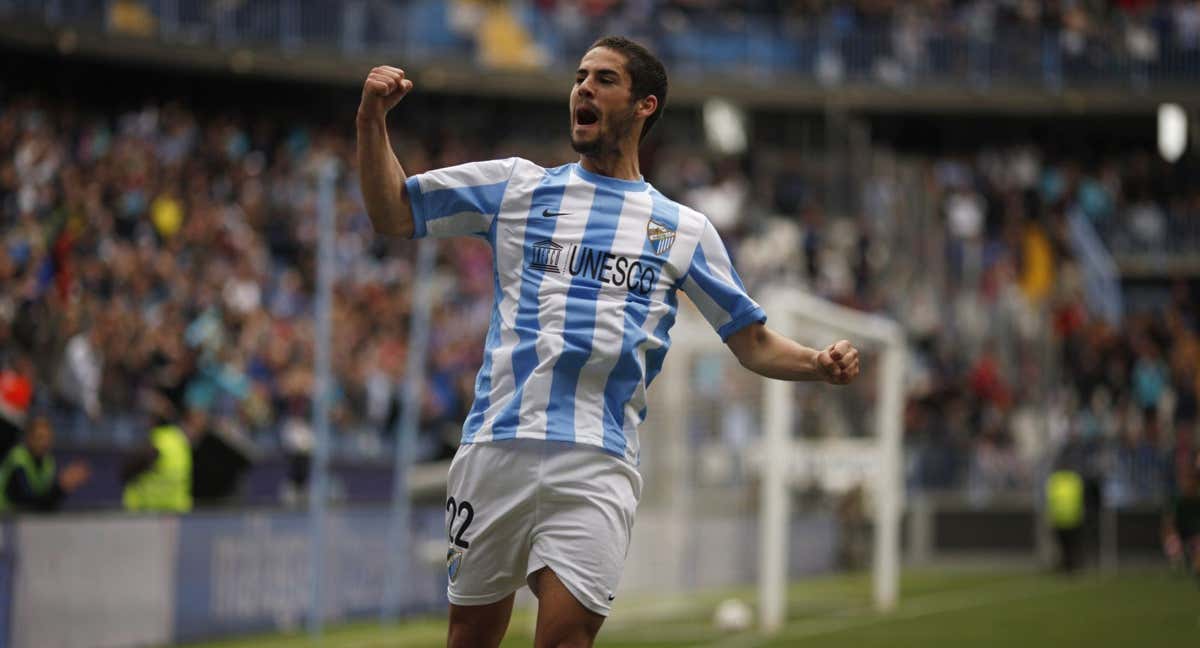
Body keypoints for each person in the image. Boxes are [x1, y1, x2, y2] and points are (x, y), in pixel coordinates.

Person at [357, 35, 862, 648]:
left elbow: (751, 342)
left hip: (597, 465)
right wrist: (371, 122)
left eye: (603, 79)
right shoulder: (517, 187)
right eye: (579, 77)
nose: (583, 88)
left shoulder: (683, 231)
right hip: (496, 448)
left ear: (644, 105)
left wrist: (818, 362)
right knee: (469, 638)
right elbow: (393, 212)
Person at [0, 416, 91, 513]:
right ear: (28, 438)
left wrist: (62, 488)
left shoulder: (48, 462)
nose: (44, 443)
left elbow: (46, 502)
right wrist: (61, 487)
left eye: (48, 438)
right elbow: (25, 501)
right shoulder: (17, 459)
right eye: (39, 438)